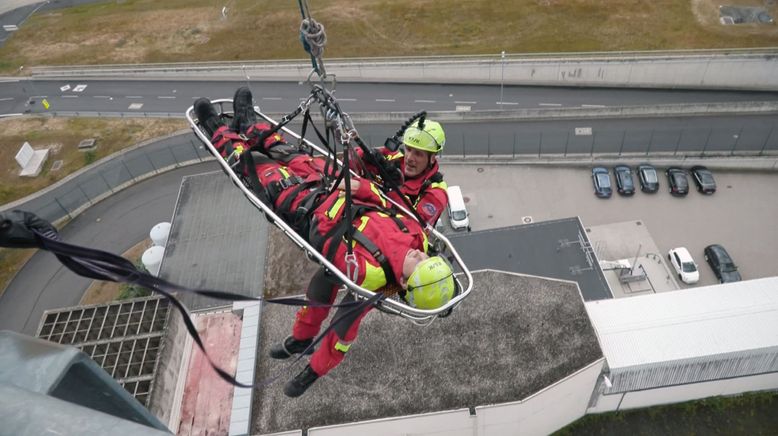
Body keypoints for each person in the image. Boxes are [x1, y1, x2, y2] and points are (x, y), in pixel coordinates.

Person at [194, 93, 456, 398]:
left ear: (432, 158)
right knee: (295, 155)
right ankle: (249, 123)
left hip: (330, 216)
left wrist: (359, 192)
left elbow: (401, 211)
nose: (409, 158)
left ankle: (216, 128)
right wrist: (354, 151)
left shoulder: (431, 198)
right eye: (409, 149)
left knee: (342, 315)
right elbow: (369, 177)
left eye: (418, 155)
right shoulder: (413, 231)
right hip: (346, 197)